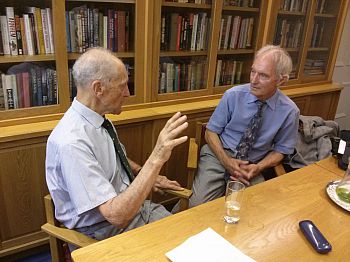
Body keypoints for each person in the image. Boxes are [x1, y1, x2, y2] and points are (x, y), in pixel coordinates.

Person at [45, 47, 188, 241]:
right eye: (122, 86)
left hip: (136, 210)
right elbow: (116, 216)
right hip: (105, 231)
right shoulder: (71, 142)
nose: (128, 93)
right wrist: (156, 158)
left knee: (192, 241)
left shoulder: (99, 119)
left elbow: (113, 157)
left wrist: (144, 173)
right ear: (98, 89)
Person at [188, 45, 300, 208]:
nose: (253, 80)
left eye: (263, 75)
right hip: (220, 155)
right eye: (253, 71)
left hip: (252, 164)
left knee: (253, 211)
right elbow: (210, 132)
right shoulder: (233, 95)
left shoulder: (290, 111)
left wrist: (258, 167)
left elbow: (281, 150)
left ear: (281, 80)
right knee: (197, 207)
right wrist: (226, 161)